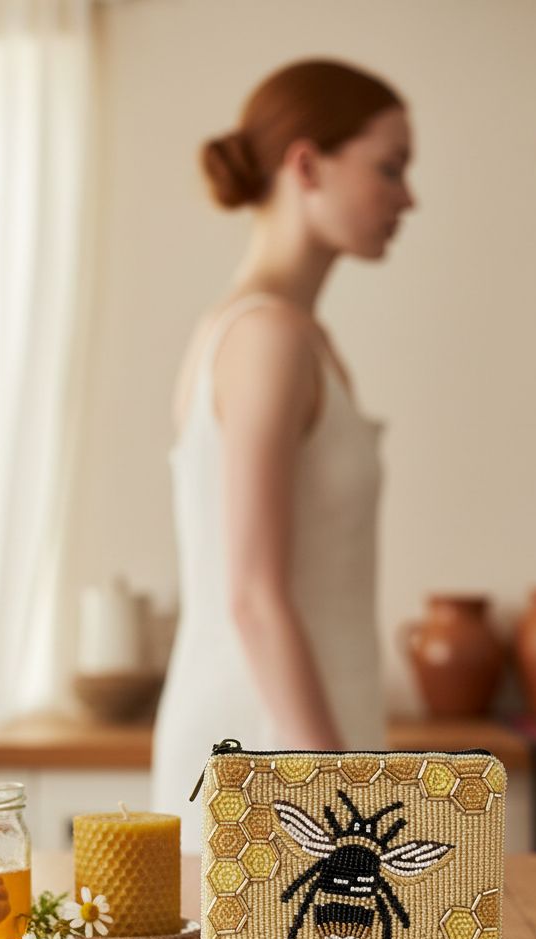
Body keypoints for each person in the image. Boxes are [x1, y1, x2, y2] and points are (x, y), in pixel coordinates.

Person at [151, 58, 416, 852]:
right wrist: (339, 800)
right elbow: (253, 597)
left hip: (302, 743)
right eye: (389, 167)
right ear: (307, 165)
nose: (408, 196)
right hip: (270, 751)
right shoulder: (264, 338)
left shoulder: (287, 337)